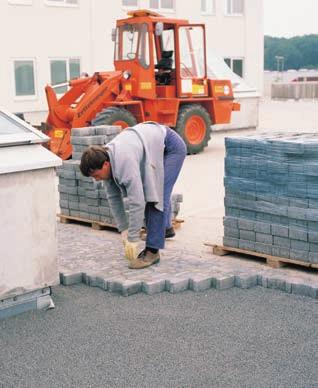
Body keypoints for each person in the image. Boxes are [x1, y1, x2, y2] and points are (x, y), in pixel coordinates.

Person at [80, 122, 186, 269]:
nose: (96, 179)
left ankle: (152, 252)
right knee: (155, 190)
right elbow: (113, 198)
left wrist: (133, 238)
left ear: (105, 165)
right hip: (152, 143)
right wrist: (124, 229)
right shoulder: (108, 159)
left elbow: (138, 201)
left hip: (171, 148)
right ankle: (165, 229)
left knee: (155, 196)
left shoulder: (124, 160)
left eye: (96, 175)